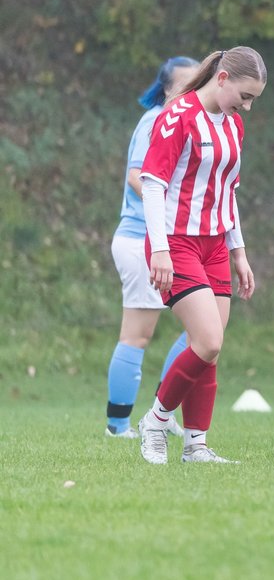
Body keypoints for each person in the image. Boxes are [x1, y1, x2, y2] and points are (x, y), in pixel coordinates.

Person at [135, 46, 266, 464]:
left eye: (253, 100)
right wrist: (159, 250)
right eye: (244, 96)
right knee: (208, 340)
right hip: (176, 241)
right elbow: (153, 184)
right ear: (223, 78)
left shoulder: (233, 126)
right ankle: (155, 422)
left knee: (209, 346)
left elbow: (228, 193)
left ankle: (196, 446)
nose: (246, 107)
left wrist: (238, 252)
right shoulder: (179, 116)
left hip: (214, 246)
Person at [105, 58, 200, 439]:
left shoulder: (185, 120)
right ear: (166, 90)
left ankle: (162, 411)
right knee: (137, 336)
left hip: (170, 242)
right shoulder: (156, 120)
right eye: (185, 85)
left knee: (202, 331)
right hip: (141, 240)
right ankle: (119, 425)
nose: (192, 92)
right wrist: (170, 206)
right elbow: (135, 175)